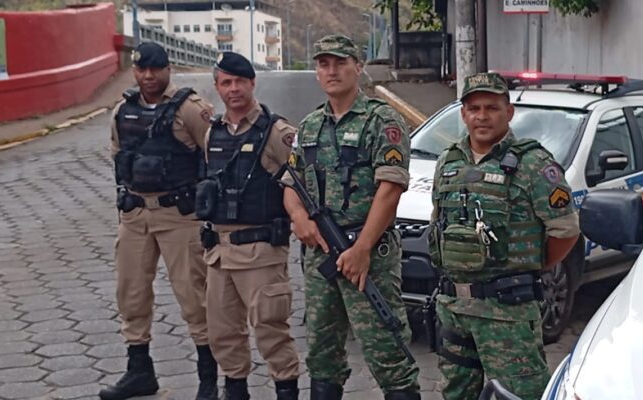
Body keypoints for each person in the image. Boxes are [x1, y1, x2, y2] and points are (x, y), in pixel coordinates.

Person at [282, 34, 420, 400]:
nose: (332, 71)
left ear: (358, 67)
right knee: (322, 354)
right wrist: (299, 218)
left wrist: (362, 248)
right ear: (316, 72)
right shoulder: (309, 126)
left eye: (341, 62)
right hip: (320, 256)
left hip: (367, 254)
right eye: (324, 64)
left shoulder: (382, 120)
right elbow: (291, 182)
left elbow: (390, 189)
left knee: (387, 351)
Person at [428, 72, 581, 400]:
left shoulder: (534, 165)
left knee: (518, 395)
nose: (482, 116)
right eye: (473, 108)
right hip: (455, 308)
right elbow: (438, 223)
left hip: (507, 313)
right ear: (463, 114)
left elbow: (565, 231)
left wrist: (530, 268)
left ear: (509, 113)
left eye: (492, 108)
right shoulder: (448, 162)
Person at [103, 42, 217, 400]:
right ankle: (139, 371)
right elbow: (118, 157)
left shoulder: (191, 110)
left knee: (194, 297)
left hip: (179, 216)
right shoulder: (123, 111)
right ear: (134, 71)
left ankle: (209, 379)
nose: (148, 77)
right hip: (135, 215)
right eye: (141, 70)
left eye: (155, 69)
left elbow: (214, 159)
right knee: (131, 294)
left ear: (168, 68)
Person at [196, 51, 299, 400]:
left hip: (261, 253)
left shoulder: (277, 133)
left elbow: (302, 186)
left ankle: (286, 389)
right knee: (223, 334)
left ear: (253, 83)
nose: (234, 89)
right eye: (226, 83)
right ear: (217, 88)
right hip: (219, 254)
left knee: (271, 332)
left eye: (240, 81)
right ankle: (235, 390)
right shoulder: (213, 133)